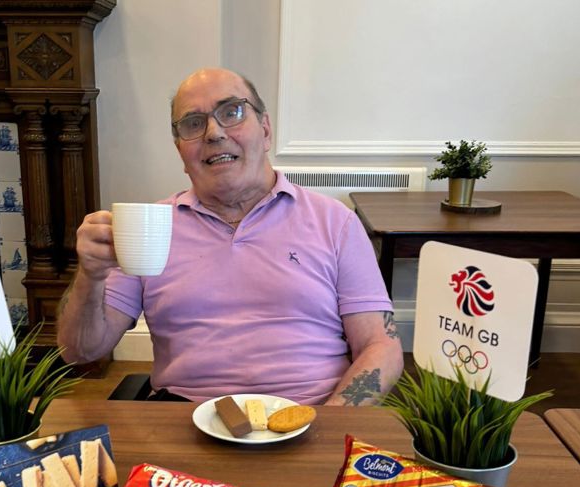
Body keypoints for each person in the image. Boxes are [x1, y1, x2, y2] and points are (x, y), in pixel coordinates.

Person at [57, 67, 403, 406]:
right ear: (180, 150)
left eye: (231, 112)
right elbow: (79, 351)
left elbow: (380, 346)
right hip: (184, 422)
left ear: (265, 130)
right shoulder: (151, 227)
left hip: (310, 417)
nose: (213, 132)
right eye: (193, 123)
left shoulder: (335, 222)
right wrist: (90, 274)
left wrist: (329, 425)